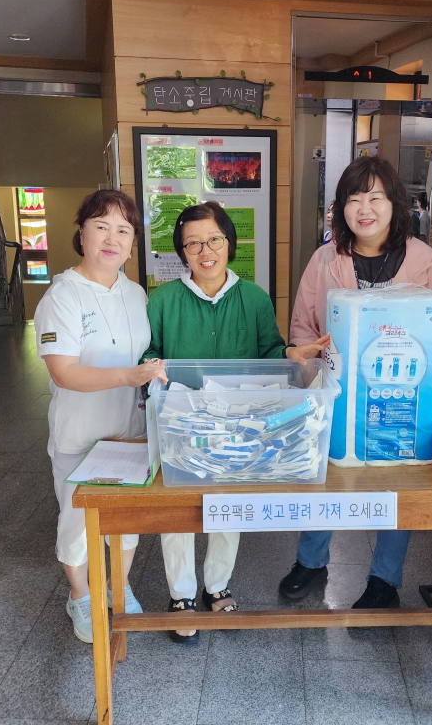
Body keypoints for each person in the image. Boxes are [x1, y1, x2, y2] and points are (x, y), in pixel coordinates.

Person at [277, 156, 432, 609]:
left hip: (399, 393)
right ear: (340, 207)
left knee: (397, 481)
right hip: (337, 392)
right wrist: (310, 368)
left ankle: (384, 579)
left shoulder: (425, 263)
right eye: (354, 198)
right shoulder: (325, 260)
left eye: (375, 197)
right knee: (325, 473)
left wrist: (428, 390)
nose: (364, 208)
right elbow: (302, 326)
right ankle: (311, 562)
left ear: (395, 203)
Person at [144, 201, 328, 642]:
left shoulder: (254, 298)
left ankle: (217, 585)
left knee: (228, 502)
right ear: (182, 252)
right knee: (177, 505)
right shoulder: (162, 300)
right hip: (181, 422)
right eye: (193, 243)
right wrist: (152, 368)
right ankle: (181, 594)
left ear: (229, 243)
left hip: (240, 425)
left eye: (214, 240)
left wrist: (290, 355)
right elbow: (148, 352)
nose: (205, 251)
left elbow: (270, 354)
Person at [34, 189, 167, 643]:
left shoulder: (135, 293)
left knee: (124, 520)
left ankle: (118, 586)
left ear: (133, 242)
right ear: (82, 233)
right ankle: (80, 595)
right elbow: (63, 371)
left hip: (128, 432)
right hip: (80, 433)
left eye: (123, 230)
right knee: (76, 521)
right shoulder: (62, 295)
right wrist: (129, 377)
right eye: (102, 227)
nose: (113, 239)